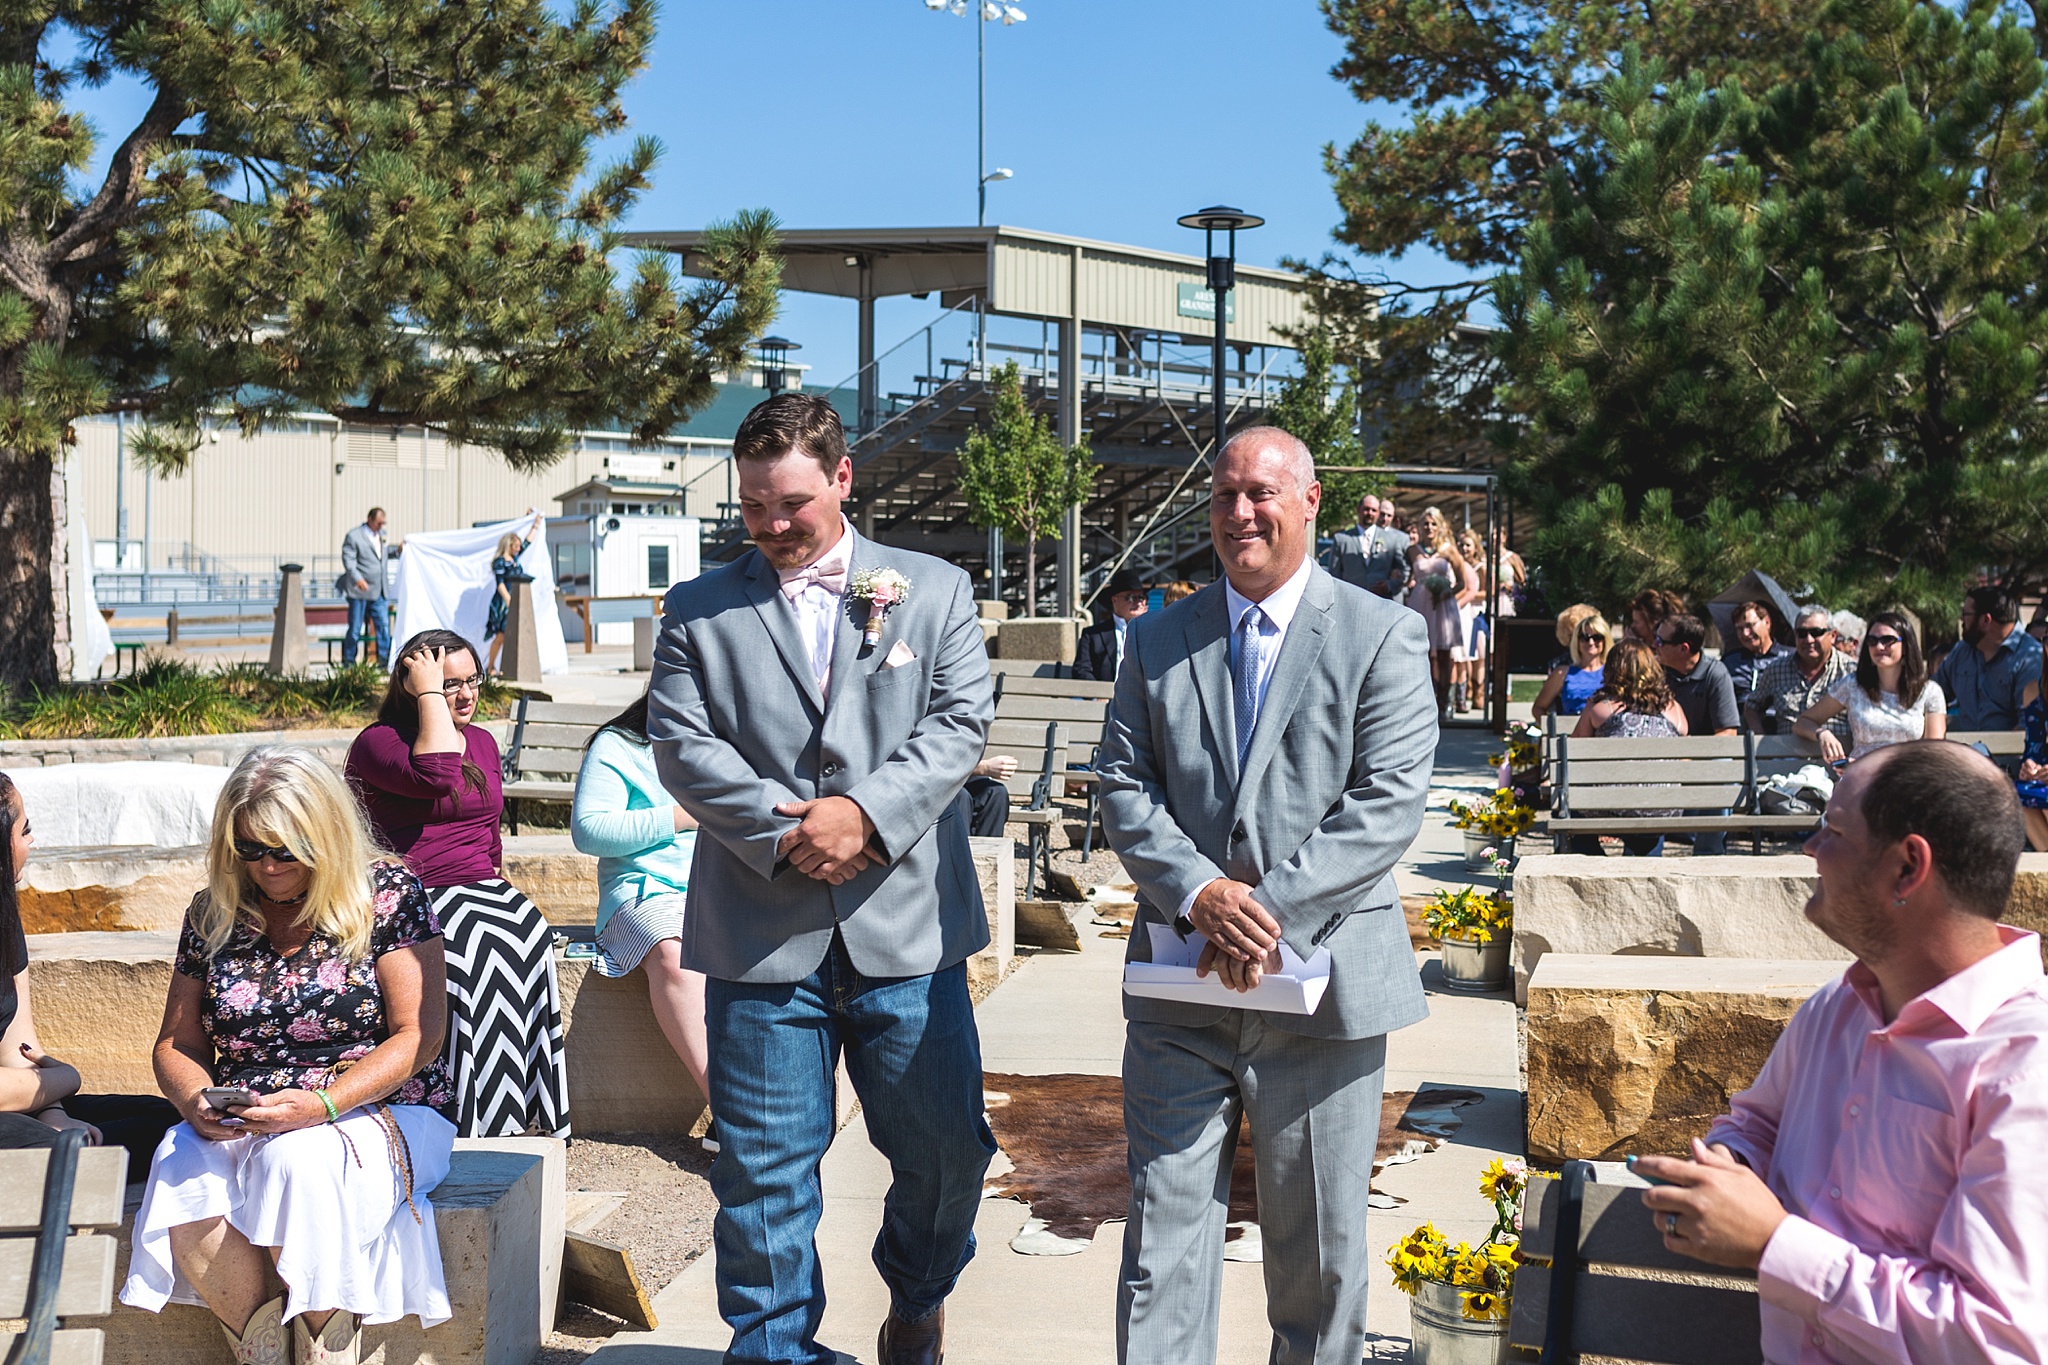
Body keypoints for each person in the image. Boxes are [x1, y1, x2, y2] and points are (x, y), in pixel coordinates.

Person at [646, 392, 996, 1365]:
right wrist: (789, 833)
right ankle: (773, 1351)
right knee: (763, 1181)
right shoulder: (697, 607)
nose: (769, 526)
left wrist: (866, 818)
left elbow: (958, 723)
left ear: (842, 479)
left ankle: (918, 1294)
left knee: (944, 1157)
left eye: (790, 504)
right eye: (753, 506)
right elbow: (682, 746)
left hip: (907, 934)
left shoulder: (928, 588)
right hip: (758, 937)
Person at [1098, 426, 1436, 1365]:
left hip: (1323, 996)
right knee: (1161, 1249)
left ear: (1312, 501)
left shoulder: (1384, 635)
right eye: (1224, 495)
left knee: (1319, 1263)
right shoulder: (1157, 636)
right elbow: (1123, 781)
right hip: (1180, 988)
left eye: (1261, 493)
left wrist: (1265, 911)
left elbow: (1389, 799)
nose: (1240, 512)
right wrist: (1200, 891)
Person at [1634, 741, 2048, 1365]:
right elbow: (1758, 1122)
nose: (1809, 848)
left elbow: (1994, 1342)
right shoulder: (1838, 1006)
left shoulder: (2023, 1069)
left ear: (1908, 868)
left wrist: (1775, 1244)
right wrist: (1729, 1160)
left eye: (1830, 829)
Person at [120, 747, 457, 1365]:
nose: (267, 865)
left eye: (285, 849)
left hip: (374, 1101)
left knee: (297, 1162)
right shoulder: (213, 910)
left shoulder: (385, 892)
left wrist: (322, 1103)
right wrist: (196, 1099)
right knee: (178, 1162)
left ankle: (330, 1351)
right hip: (251, 1110)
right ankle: (265, 1350)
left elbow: (419, 1035)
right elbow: (178, 1043)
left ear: (324, 833)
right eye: (250, 849)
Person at [346, 630, 568, 1139]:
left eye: (473, 680)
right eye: (449, 684)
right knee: (469, 953)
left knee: (526, 934)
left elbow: (489, 830)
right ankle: (462, 1118)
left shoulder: (485, 742)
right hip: (409, 892)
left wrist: (498, 885)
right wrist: (428, 698)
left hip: (479, 887)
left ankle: (521, 1113)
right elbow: (437, 777)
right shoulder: (379, 743)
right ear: (412, 686)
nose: (467, 695)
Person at [0, 774, 180, 1175]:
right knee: (64, 1157)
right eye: (23, 830)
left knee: (170, 1125)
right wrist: (66, 1076)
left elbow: (19, 1047)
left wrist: (54, 1113)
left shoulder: (4, 917)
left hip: (25, 1098)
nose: (31, 842)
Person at [570, 689, 714, 1150]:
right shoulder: (620, 745)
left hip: (725, 890)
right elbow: (589, 829)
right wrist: (681, 816)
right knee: (674, 953)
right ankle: (735, 1116)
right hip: (644, 893)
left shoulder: (733, 739)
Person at [1567, 640, 1689, 857]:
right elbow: (1682, 753)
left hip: (1610, 806)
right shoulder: (1672, 708)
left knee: (1572, 809)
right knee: (1653, 802)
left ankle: (1597, 865)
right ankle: (1645, 861)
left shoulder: (1600, 706)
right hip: (1662, 808)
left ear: (1613, 669)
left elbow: (1574, 752)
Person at [1794, 612, 1946, 763]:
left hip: (1907, 779)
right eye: (1872, 640)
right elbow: (1803, 722)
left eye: (1888, 640)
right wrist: (1822, 733)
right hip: (1861, 778)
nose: (1879, 646)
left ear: (1905, 646)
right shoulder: (1852, 686)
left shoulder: (1929, 692)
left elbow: (1933, 752)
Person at [1655, 613, 1739, 855]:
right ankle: (1643, 854)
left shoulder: (1716, 674)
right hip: (1660, 759)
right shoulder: (1654, 673)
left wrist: (1689, 758)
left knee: (1723, 767)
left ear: (1683, 648)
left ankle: (1709, 855)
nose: (1654, 645)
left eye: (1661, 641)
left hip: (1703, 762)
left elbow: (1727, 734)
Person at [1934, 583, 2044, 732]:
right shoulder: (1961, 652)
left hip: (2012, 754)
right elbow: (1932, 696)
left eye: (1966, 614)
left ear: (1986, 620)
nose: (1961, 620)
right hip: (1963, 752)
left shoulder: (2031, 658)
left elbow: (2029, 728)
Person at [1745, 606, 1853, 742]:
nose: (1808, 639)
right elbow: (1752, 707)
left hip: (1838, 757)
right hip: (1786, 757)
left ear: (1832, 636)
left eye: (1816, 632)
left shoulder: (1850, 672)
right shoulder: (1776, 670)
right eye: (1801, 633)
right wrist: (1761, 742)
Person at [1405, 506, 1474, 717]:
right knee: (1422, 653)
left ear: (1440, 526)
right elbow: (1408, 576)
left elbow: (1462, 582)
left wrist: (1446, 593)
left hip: (1443, 605)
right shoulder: (1413, 550)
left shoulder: (1449, 550)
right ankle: (1424, 700)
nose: (1429, 527)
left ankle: (1446, 702)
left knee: (1444, 655)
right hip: (1421, 603)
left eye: (1433, 523)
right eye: (1425, 523)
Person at [482, 511, 544, 678]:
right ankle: (490, 666)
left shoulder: (515, 560)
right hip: (502, 603)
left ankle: (503, 665)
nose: (518, 549)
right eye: (515, 546)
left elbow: (527, 543)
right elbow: (500, 583)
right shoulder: (500, 562)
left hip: (516, 599)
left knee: (511, 634)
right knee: (501, 635)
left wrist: (535, 525)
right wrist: (509, 600)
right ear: (508, 545)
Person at [1325, 492, 1410, 599]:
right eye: (1366, 509)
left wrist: (1389, 585)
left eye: (1374, 510)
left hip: (1380, 601)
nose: (1370, 513)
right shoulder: (1341, 539)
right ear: (1358, 509)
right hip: (1350, 599)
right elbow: (1334, 574)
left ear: (1378, 513)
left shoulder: (1391, 539)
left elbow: (1402, 571)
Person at [1530, 610, 1609, 721]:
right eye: (1584, 637)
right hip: (1571, 733)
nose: (1590, 642)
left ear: (1605, 640)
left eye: (1597, 638)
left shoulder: (1613, 672)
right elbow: (1538, 708)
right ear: (1577, 641)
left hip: (1605, 734)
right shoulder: (1562, 673)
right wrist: (1554, 729)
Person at [1075, 568, 1150, 682]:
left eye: (1142, 597)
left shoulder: (1154, 634)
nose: (1138, 602)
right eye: (1131, 597)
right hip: (1104, 696)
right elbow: (1082, 671)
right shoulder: (1092, 635)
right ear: (1114, 600)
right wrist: (1098, 694)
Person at [1722, 599, 1792, 722]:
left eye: (1750, 625)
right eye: (1739, 628)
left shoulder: (1789, 657)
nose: (1745, 633)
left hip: (1779, 726)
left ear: (1767, 622)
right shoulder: (1730, 662)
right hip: (1739, 726)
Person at [337, 507, 390, 668]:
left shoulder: (382, 536)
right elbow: (349, 560)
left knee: (383, 626)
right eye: (379, 522)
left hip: (379, 590)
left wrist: (399, 550)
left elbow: (383, 557)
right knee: (355, 628)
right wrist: (358, 578)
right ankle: (349, 661)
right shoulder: (354, 536)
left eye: (383, 523)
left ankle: (384, 661)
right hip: (359, 591)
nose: (381, 526)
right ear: (370, 519)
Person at [2013, 680, 2048, 852]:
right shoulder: (2034, 690)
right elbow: (2034, 749)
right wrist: (2029, 767)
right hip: (2044, 781)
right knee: (2017, 792)